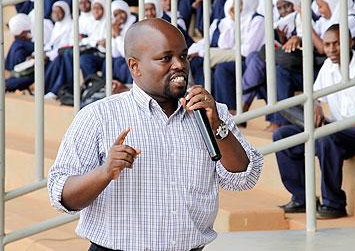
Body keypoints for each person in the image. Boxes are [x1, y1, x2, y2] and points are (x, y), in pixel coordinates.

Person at [48, 18, 263, 251]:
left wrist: (218, 127)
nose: (179, 65)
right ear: (135, 66)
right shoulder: (98, 116)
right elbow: (61, 196)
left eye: (183, 56)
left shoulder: (211, 112)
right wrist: (104, 172)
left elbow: (244, 178)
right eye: (165, 58)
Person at [273, 24, 355, 218]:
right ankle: (302, 198)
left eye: (337, 44)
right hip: (338, 130)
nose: (331, 49)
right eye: (327, 45)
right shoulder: (329, 66)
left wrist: (335, 127)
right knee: (282, 137)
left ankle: (334, 203)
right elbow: (314, 95)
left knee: (326, 136)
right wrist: (317, 105)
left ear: (351, 43)